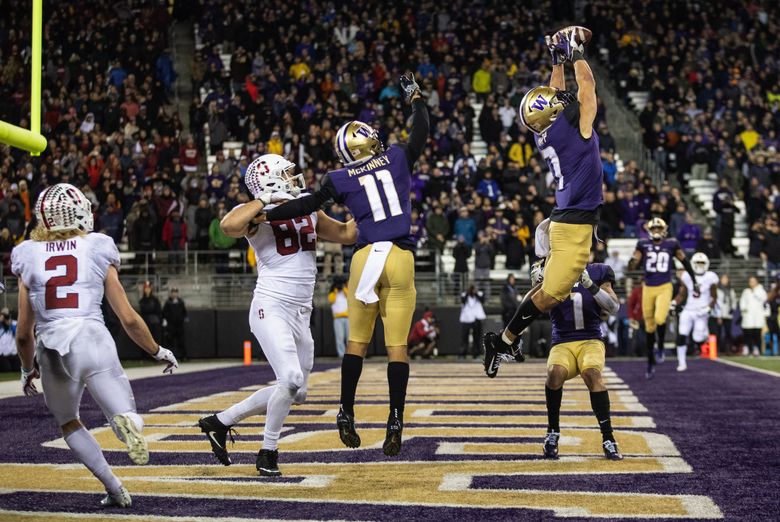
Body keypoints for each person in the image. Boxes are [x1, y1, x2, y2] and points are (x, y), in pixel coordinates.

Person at [256, 73, 429, 457]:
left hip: (365, 259)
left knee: (357, 343)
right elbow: (421, 129)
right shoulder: (397, 157)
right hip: (400, 258)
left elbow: (305, 206)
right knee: (398, 348)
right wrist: (415, 96)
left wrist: (268, 214)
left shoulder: (339, 176)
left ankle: (346, 411)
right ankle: (395, 419)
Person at [13, 183, 178, 508]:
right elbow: (128, 318)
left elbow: (22, 333)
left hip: (51, 347)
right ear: (79, 212)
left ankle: (114, 487)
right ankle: (128, 423)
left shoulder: (27, 253)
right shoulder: (97, 246)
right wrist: (158, 350)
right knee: (126, 413)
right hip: (91, 335)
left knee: (69, 422)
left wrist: (26, 368)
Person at [198, 154, 357, 476]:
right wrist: (263, 201)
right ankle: (268, 451)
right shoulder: (259, 211)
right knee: (291, 378)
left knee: (297, 392)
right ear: (270, 178)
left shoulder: (307, 208)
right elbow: (229, 226)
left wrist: (373, 206)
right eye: (286, 172)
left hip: (301, 312)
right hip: (271, 305)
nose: (294, 176)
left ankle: (219, 422)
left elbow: (345, 234)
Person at [482, 27, 604, 377]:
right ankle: (503, 341)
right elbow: (588, 90)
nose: (559, 100)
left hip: (567, 218)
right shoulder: (575, 130)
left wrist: (556, 59)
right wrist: (576, 51)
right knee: (550, 296)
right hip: (573, 225)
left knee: (548, 289)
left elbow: (557, 94)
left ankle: (537, 272)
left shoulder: (546, 132)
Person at [531, 257, 623, 460]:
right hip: (562, 341)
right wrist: (538, 286)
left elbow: (614, 307)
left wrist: (590, 284)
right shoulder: (549, 269)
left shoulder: (599, 271)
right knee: (554, 373)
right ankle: (552, 432)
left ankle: (608, 438)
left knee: (592, 373)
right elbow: (535, 307)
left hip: (591, 339)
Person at [628, 218, 699, 378]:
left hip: (664, 286)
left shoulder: (672, 244)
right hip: (648, 287)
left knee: (660, 319)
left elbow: (685, 261)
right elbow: (633, 265)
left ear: (664, 229)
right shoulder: (643, 244)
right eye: (654, 228)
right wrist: (632, 261)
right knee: (649, 327)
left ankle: (660, 347)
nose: (656, 231)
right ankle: (650, 362)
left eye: (659, 228)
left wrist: (694, 280)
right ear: (649, 230)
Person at [671, 253, 718, 372]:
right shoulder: (687, 275)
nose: (700, 266)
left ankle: (704, 335)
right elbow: (682, 293)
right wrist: (674, 302)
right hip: (688, 310)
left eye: (702, 263)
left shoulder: (711, 277)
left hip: (701, 311)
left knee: (697, 338)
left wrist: (708, 308)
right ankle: (681, 362)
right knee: (682, 334)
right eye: (698, 263)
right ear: (693, 263)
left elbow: (714, 296)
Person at [739, 276, 767, 356]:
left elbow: (765, 303)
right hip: (748, 316)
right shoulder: (746, 291)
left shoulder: (761, 291)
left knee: (757, 333)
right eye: (750, 281)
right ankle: (747, 348)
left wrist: (765, 314)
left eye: (753, 281)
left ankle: (756, 348)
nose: (752, 283)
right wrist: (744, 310)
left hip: (757, 316)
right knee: (748, 333)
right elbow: (742, 302)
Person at [460, 285, 486, 358]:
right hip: (466, 319)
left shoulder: (479, 293)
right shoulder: (464, 294)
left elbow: (482, 300)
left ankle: (476, 354)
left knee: (476, 338)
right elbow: (463, 301)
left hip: (476, 319)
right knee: (464, 337)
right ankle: (463, 354)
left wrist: (476, 293)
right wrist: (468, 293)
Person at [162, 288, 188, 360]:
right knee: (170, 342)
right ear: (171, 293)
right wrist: (165, 320)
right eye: (173, 292)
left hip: (179, 325)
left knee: (181, 341)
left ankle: (183, 356)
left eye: (176, 292)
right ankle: (171, 357)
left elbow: (184, 312)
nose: (174, 294)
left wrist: (184, 318)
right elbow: (164, 312)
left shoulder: (181, 302)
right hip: (171, 326)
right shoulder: (168, 302)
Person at [715, 274, 738, 354]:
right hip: (720, 315)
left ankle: (728, 349)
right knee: (718, 333)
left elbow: (734, 300)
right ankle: (717, 349)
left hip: (728, 314)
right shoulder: (717, 290)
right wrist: (719, 316)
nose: (725, 281)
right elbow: (717, 303)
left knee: (728, 333)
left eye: (726, 279)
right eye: (723, 279)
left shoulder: (731, 290)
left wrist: (733, 308)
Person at [328, 276, 349, 358]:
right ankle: (341, 355)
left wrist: (343, 288)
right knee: (339, 338)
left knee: (349, 337)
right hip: (337, 318)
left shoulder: (346, 291)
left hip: (347, 317)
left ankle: (349, 354)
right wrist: (335, 290)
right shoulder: (333, 293)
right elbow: (331, 300)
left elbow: (349, 296)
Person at [0, 307, 18, 372]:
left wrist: (10, 325)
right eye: (4, 315)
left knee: (17, 369)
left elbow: (18, 334)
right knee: (6, 369)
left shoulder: (14, 323)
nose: (5, 318)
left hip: (13, 354)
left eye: (6, 316)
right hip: (2, 355)